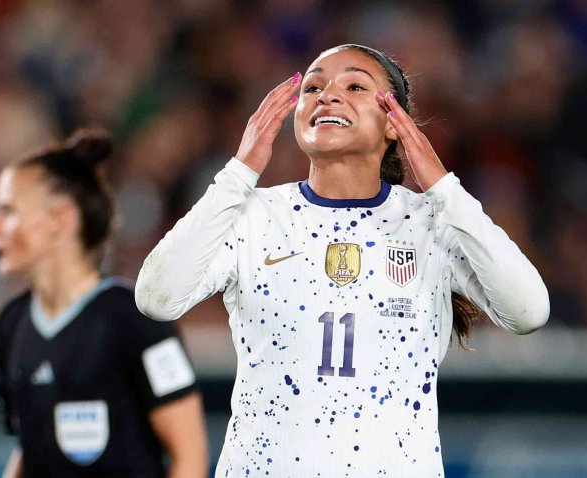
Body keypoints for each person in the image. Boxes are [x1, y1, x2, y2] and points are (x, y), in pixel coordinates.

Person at [136, 44, 549, 477]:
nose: (327, 96)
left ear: (395, 124)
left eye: (355, 85)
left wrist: (445, 190)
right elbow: (157, 298)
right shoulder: (253, 214)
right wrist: (238, 172)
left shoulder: (432, 223)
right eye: (313, 86)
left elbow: (529, 311)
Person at [0, 129, 208, 478]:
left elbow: (190, 457)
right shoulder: (11, 325)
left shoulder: (135, 318)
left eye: (8, 212)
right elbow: (29, 447)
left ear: (61, 219)